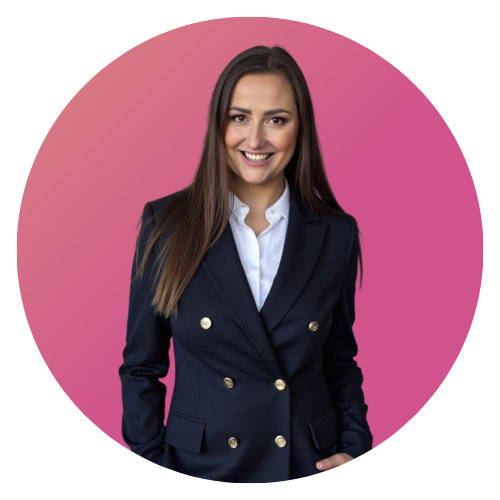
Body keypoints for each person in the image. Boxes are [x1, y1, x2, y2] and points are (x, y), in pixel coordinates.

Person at [118, 45, 372, 483]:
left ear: (301, 129)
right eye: (239, 117)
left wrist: (354, 445)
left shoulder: (337, 233)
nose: (255, 140)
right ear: (218, 125)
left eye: (276, 120)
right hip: (199, 465)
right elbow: (142, 365)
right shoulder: (167, 225)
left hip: (303, 462)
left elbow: (339, 360)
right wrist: (151, 457)